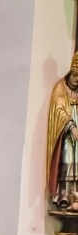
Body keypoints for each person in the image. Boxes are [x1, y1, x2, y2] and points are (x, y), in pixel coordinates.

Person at [47, 52, 78, 207]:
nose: (77, 79)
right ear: (70, 73)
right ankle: (64, 195)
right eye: (75, 75)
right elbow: (58, 110)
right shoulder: (60, 87)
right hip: (66, 133)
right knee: (67, 160)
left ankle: (76, 196)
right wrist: (72, 127)